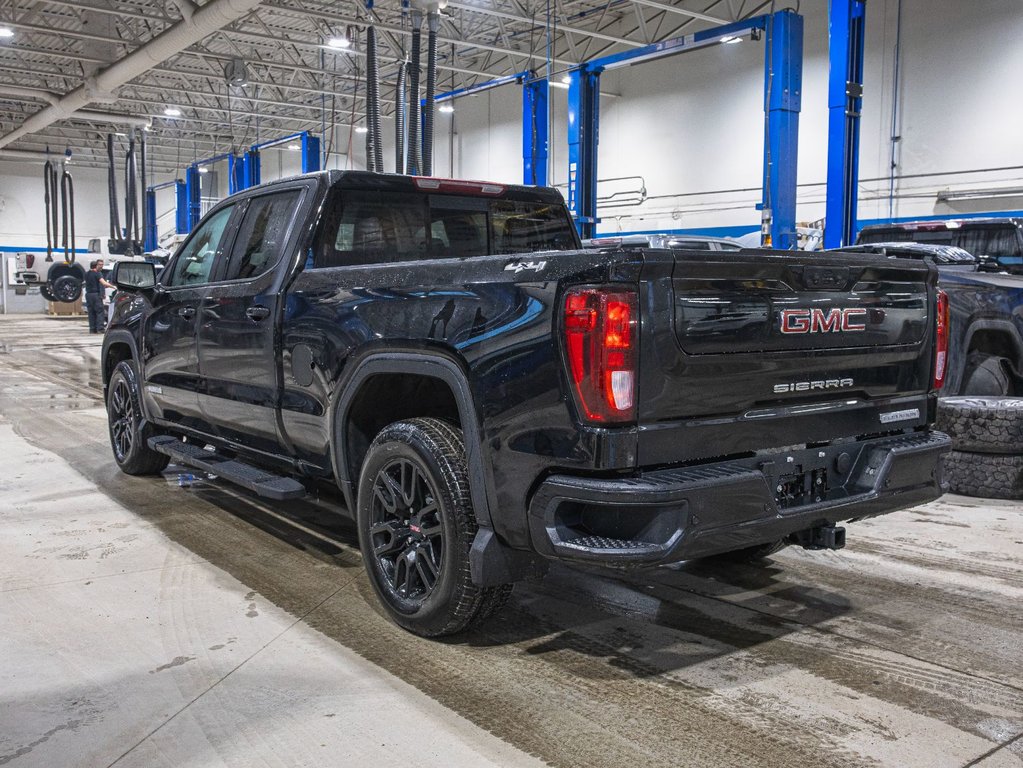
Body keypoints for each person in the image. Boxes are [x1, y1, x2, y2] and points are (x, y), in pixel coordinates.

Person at [84, 259, 114, 334]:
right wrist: (113, 286)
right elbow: (103, 283)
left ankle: (92, 329)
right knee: (100, 312)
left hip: (88, 295)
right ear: (96, 266)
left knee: (91, 312)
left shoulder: (86, 274)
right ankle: (100, 329)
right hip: (95, 295)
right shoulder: (97, 273)